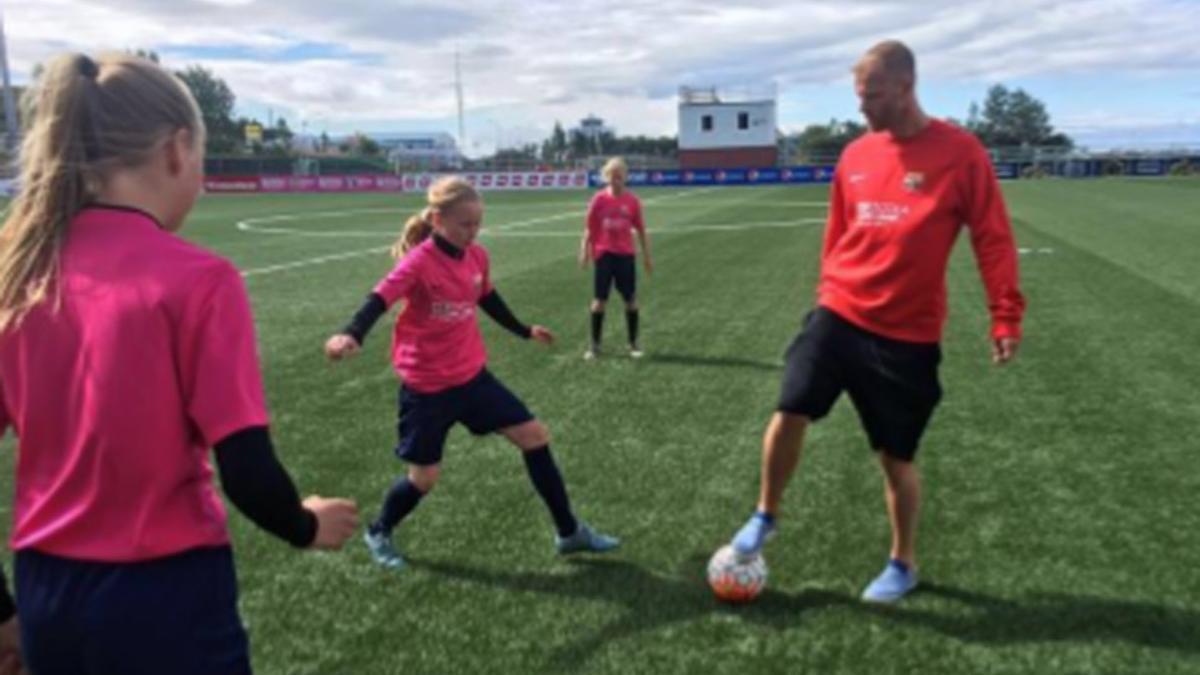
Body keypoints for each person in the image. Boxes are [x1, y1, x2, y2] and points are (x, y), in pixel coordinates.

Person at [0, 53, 359, 673]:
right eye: (199, 161)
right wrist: (306, 524)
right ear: (177, 149)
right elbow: (246, 469)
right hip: (164, 594)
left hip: (45, 592)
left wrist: (4, 612)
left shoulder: (20, 279)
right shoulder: (200, 281)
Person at [729, 40, 1026, 603]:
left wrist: (1004, 316)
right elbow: (838, 233)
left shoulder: (961, 154)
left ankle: (903, 563)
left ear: (906, 88)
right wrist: (825, 293)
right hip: (840, 310)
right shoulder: (856, 155)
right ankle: (766, 514)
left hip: (906, 334)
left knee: (896, 459)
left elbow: (993, 238)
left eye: (871, 97)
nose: (861, 108)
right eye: (858, 97)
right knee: (790, 404)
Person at [325, 176, 619, 571]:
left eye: (478, 223)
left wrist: (523, 329)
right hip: (427, 388)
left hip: (472, 378)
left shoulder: (477, 256)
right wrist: (351, 333)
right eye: (465, 224)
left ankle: (569, 532)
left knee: (534, 436)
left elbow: (486, 296)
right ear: (437, 219)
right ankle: (379, 530)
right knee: (424, 478)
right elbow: (379, 298)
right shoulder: (419, 262)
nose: (473, 231)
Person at [578, 157, 653, 359]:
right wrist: (584, 251)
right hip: (604, 255)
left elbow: (642, 230)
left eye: (620, 177)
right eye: (612, 177)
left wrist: (647, 256)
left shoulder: (633, 201)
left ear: (625, 177)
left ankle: (634, 343)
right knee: (599, 301)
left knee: (630, 301)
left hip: (626, 256)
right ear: (606, 177)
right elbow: (589, 227)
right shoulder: (598, 200)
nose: (616, 181)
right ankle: (594, 345)